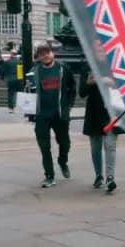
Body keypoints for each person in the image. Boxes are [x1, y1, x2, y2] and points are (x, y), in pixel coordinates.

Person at [28, 43, 75, 187]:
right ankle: (49, 175)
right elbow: (27, 93)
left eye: (47, 52)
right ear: (39, 56)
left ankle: (62, 161)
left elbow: (72, 87)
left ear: (52, 53)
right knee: (44, 146)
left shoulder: (63, 69)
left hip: (59, 114)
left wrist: (69, 105)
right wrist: (27, 88)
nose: (45, 56)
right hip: (42, 115)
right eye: (42, 54)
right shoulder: (34, 71)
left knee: (65, 143)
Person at [80, 69, 122, 193]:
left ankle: (110, 177)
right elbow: (82, 93)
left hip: (111, 112)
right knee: (95, 148)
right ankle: (98, 176)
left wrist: (111, 82)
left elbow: (123, 87)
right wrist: (90, 83)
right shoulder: (87, 68)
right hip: (94, 113)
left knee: (110, 146)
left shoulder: (114, 67)